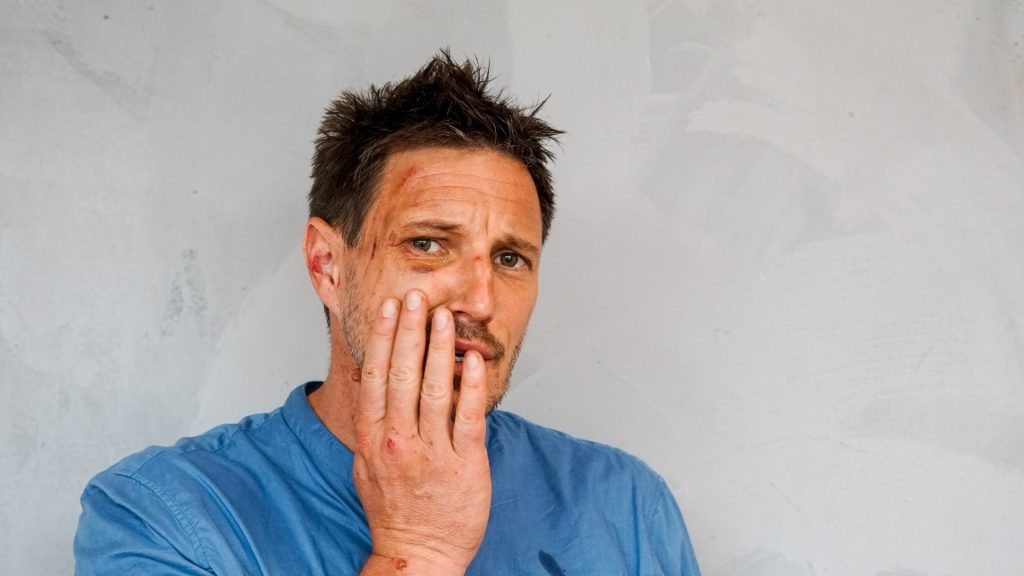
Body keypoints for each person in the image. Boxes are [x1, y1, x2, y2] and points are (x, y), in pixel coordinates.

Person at [74, 51, 701, 575]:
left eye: (510, 258)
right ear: (327, 264)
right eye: (427, 244)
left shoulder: (624, 505)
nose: (481, 300)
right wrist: (418, 550)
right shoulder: (161, 514)